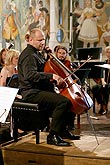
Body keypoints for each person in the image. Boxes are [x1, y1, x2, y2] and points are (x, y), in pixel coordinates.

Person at [18, 28, 80, 147]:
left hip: (39, 90)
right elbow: (30, 75)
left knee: (68, 100)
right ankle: (53, 135)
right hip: (31, 92)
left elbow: (44, 68)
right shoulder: (29, 55)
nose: (42, 42)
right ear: (30, 39)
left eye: (43, 40)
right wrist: (52, 76)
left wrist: (48, 55)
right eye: (39, 40)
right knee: (63, 102)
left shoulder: (37, 53)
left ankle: (63, 130)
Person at [92, 46, 110, 115]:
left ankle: (104, 106)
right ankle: (101, 103)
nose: (109, 54)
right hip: (104, 82)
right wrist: (102, 81)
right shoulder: (104, 62)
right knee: (95, 88)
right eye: (107, 52)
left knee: (106, 88)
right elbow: (101, 73)